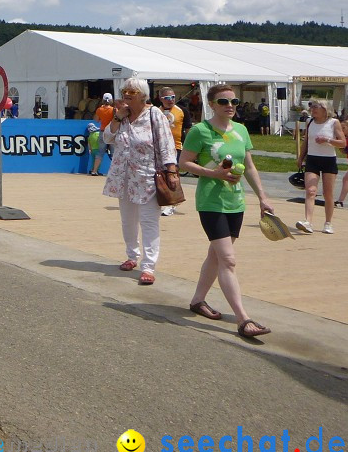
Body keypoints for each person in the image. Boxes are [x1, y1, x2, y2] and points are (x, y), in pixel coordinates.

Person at [180, 84, 275, 339]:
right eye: (223, 102)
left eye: (234, 102)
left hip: (235, 202)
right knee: (228, 260)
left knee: (216, 256)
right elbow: (184, 163)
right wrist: (213, 173)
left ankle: (198, 300)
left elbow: (250, 167)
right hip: (210, 202)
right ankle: (244, 320)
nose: (230, 106)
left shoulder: (242, 131)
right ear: (211, 104)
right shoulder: (200, 131)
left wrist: (263, 198)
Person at [101, 78, 178, 285]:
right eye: (125, 90)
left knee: (148, 221)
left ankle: (148, 266)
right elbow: (107, 138)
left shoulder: (155, 115)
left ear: (143, 95)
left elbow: (166, 144)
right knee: (127, 221)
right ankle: (131, 256)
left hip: (148, 177)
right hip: (124, 177)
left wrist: (171, 170)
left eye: (132, 91)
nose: (127, 94)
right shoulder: (122, 116)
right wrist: (118, 116)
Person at [295, 99, 345, 234]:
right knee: (310, 191)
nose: (313, 109)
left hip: (328, 160)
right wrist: (300, 157)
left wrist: (327, 140)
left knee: (328, 193)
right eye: (312, 107)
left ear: (325, 109)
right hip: (312, 159)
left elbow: (343, 143)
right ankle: (308, 222)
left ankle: (328, 223)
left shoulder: (334, 123)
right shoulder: (309, 122)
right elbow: (306, 141)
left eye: (317, 107)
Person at [155, 86, 191, 217]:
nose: (171, 100)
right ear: (161, 99)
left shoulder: (182, 111)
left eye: (173, 97)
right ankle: (164, 200)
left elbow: (188, 129)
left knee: (173, 174)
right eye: (167, 98)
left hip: (176, 146)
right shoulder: (156, 111)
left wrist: (189, 147)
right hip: (159, 147)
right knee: (161, 175)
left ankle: (172, 203)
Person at [89, 93, 115, 176]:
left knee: (100, 153)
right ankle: (115, 171)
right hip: (111, 131)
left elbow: (96, 120)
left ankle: (94, 170)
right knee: (114, 153)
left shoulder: (99, 109)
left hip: (102, 131)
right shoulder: (113, 110)